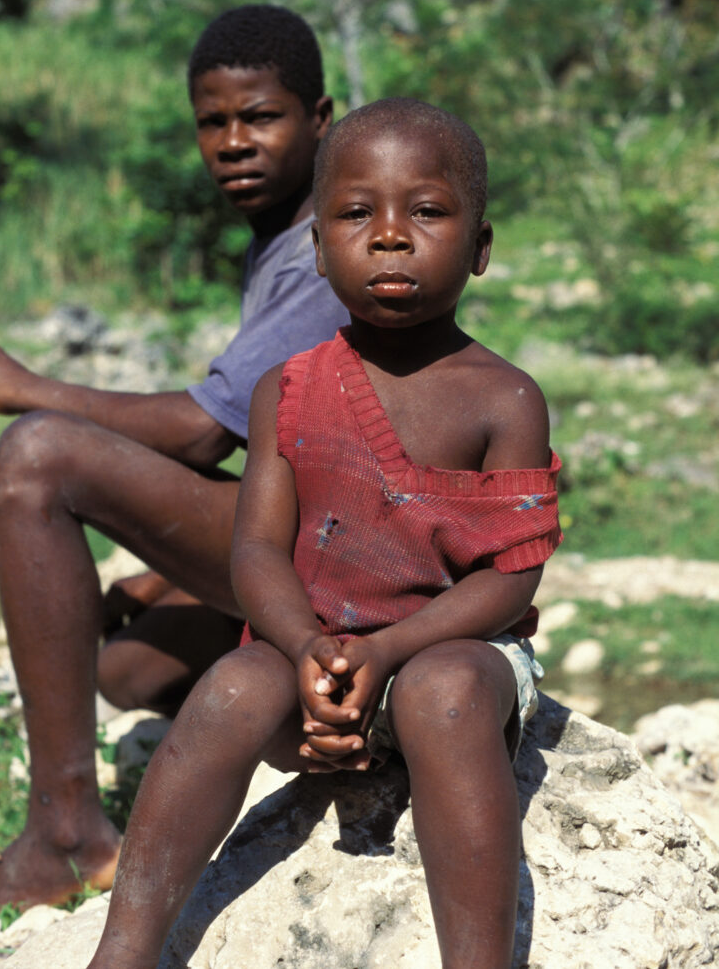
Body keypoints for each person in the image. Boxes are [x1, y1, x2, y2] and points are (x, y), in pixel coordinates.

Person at [85, 97, 563, 969]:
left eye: (426, 210)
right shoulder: (288, 389)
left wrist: (390, 652)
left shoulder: (505, 397)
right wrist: (306, 647)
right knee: (231, 688)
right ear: (316, 247)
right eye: (353, 213)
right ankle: (122, 952)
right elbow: (258, 551)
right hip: (317, 656)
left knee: (443, 692)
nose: (389, 235)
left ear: (481, 246)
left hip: (452, 653)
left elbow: (510, 577)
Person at [0, 4, 348, 912]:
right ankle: (298, 723)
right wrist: (164, 584)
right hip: (318, 537)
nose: (234, 142)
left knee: (35, 456)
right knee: (126, 669)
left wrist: (22, 387)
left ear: (320, 120)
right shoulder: (282, 240)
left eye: (262, 116)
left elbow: (207, 432)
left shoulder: (329, 246)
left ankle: (64, 837)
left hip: (353, 562)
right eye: (214, 122)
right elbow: (298, 457)